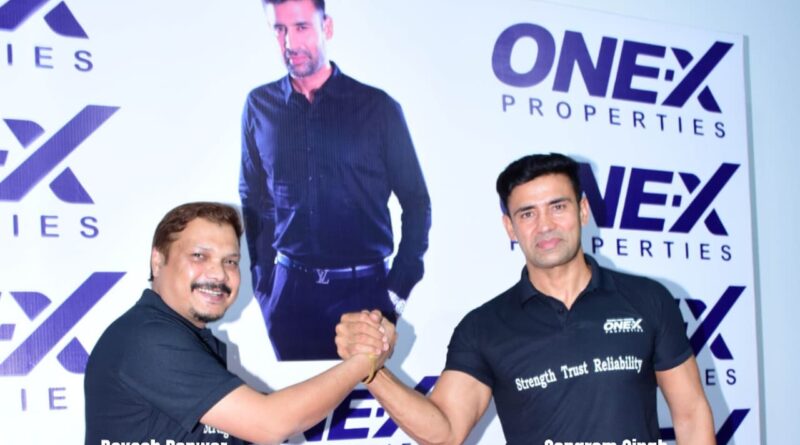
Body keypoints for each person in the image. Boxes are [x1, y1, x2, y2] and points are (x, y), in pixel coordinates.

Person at [336, 154, 715, 444]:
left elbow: (690, 413)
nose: (545, 226)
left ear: (583, 210)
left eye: (558, 207)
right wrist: (371, 369)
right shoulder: (484, 327)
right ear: (510, 227)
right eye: (528, 214)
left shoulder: (647, 300)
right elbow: (446, 431)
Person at [84, 202, 391, 445]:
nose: (219, 274)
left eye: (230, 261)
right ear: (157, 261)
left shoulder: (190, 341)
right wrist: (365, 359)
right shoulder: (147, 339)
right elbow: (270, 424)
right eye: (199, 256)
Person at [239, 0, 431, 361]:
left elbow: (417, 202)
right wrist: (265, 285)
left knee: (367, 397)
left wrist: (395, 292)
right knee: (295, 401)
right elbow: (254, 199)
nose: (290, 43)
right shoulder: (259, 106)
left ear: (326, 27)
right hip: (290, 299)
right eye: (279, 30)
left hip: (366, 299)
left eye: (301, 27)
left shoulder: (378, 107)